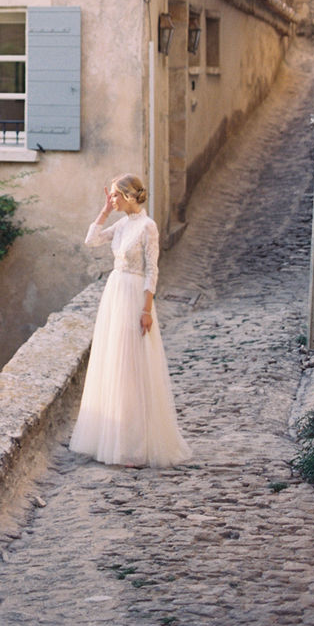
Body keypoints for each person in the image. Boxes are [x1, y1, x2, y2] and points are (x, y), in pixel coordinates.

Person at [68, 174, 190, 468]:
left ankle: (135, 445)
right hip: (115, 294)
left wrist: (146, 310)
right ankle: (113, 440)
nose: (111, 199)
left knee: (132, 366)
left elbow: (152, 270)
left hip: (135, 296)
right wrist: (105, 211)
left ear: (129, 195)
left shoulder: (148, 227)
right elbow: (92, 240)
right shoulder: (122, 224)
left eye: (114, 196)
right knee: (114, 363)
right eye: (110, 196)